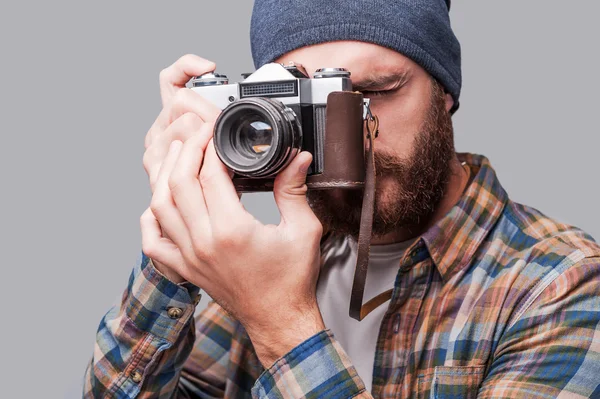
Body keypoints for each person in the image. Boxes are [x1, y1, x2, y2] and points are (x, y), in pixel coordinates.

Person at [84, 1, 600, 398]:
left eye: (375, 90)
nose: (347, 132)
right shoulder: (258, 265)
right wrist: (178, 241)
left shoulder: (562, 283)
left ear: (445, 93)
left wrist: (281, 324)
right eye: (313, 105)